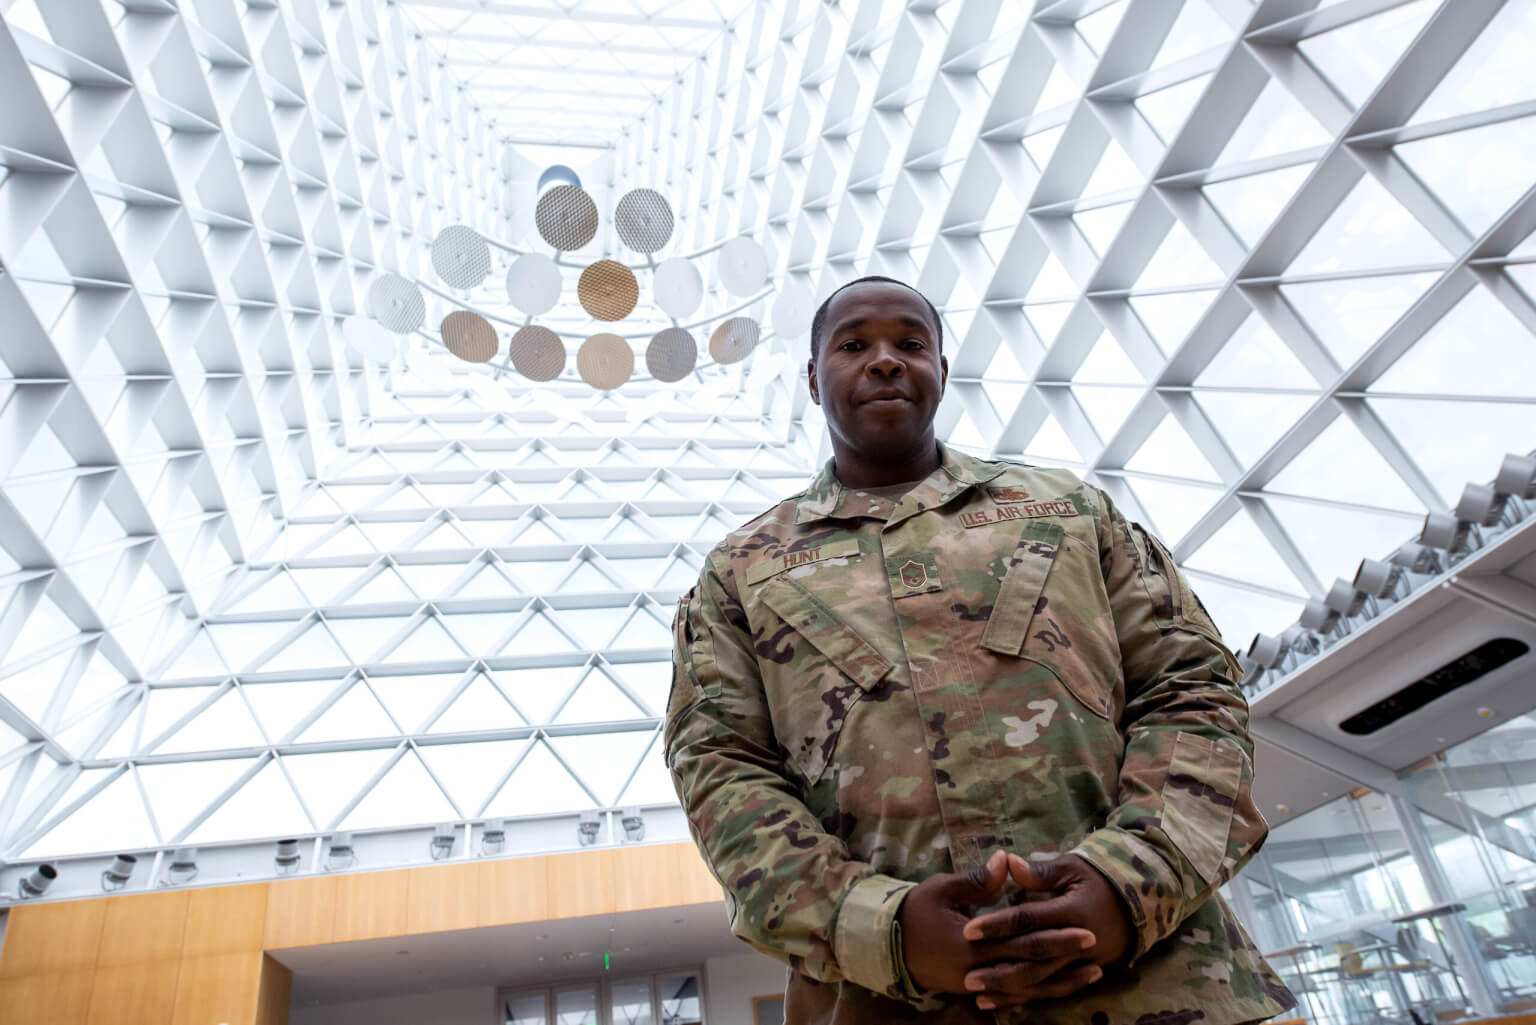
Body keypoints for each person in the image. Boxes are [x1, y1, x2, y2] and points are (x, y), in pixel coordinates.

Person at [665, 276, 1295, 1025]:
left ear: (941, 368)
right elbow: (720, 770)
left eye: (911, 343)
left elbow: (1193, 690)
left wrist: (1127, 885)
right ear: (812, 378)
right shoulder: (742, 569)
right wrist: (883, 929)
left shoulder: (1072, 511)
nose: (886, 361)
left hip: (1158, 989)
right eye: (853, 344)